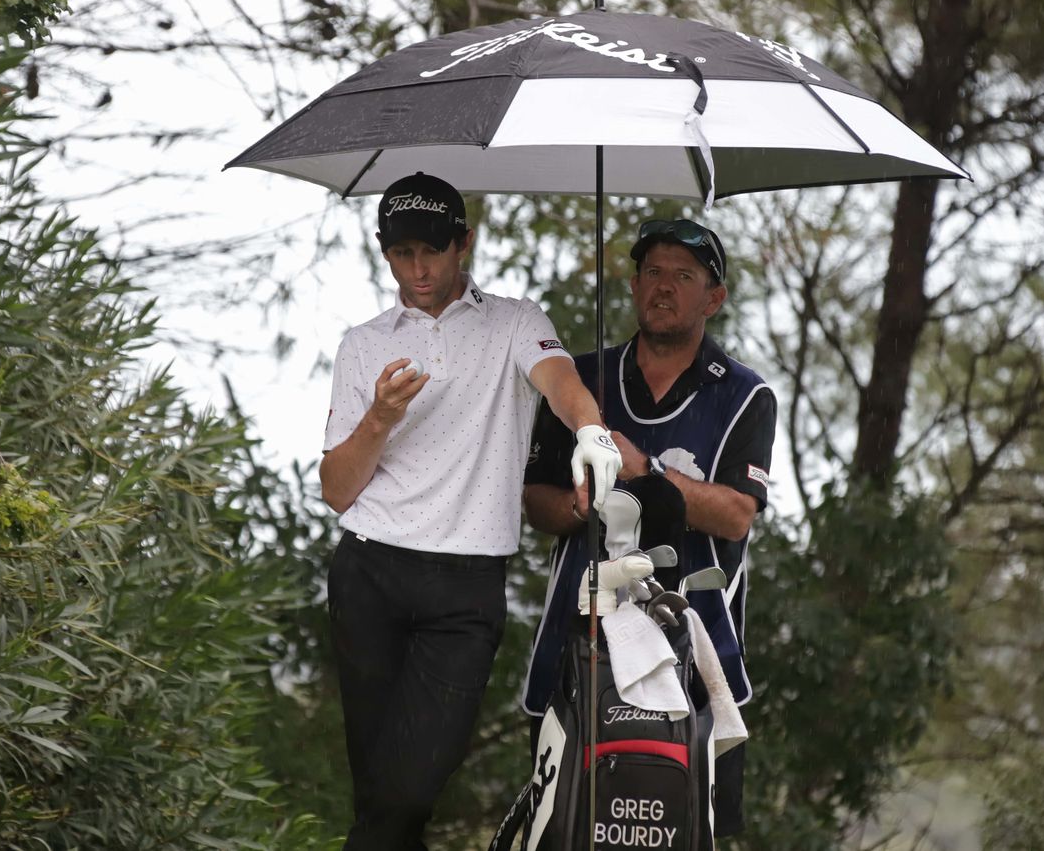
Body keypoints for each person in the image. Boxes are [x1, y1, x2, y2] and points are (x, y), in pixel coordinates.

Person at [319, 172, 623, 851]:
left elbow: (561, 382)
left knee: (406, 789)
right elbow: (337, 489)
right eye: (402, 253)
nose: (418, 268)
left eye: (432, 249)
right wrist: (379, 416)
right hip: (368, 571)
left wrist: (592, 430)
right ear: (383, 251)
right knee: (384, 800)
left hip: (465, 588)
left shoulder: (515, 320)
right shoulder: (361, 343)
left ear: (466, 243)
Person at [519, 217, 776, 837]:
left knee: (690, 832)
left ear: (713, 298)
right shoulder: (577, 383)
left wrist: (646, 471)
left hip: (698, 654)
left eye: (683, 276)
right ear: (633, 286)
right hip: (574, 648)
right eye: (652, 272)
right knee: (566, 829)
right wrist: (583, 505)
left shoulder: (745, 395)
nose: (663, 287)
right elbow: (534, 503)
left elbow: (737, 515)